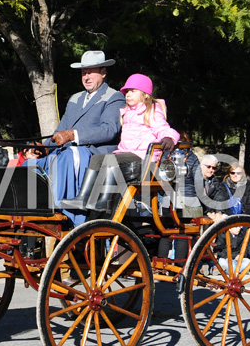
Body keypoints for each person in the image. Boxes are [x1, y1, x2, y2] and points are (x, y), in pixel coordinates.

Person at [60, 73, 178, 211]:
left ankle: (105, 200)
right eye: (127, 91)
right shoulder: (127, 112)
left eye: (133, 91)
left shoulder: (151, 110)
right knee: (97, 159)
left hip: (143, 157)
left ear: (145, 94)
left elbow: (163, 127)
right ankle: (83, 198)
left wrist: (169, 137)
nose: (128, 94)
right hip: (127, 153)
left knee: (110, 161)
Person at [33, 50, 125, 223]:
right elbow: (60, 131)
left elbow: (109, 130)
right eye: (84, 72)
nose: (86, 77)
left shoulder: (114, 97)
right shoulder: (75, 99)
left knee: (69, 156)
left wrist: (73, 135)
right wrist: (44, 147)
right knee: (30, 163)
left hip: (94, 156)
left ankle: (63, 215)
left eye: (91, 72)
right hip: (68, 155)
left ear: (103, 73)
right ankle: (32, 214)